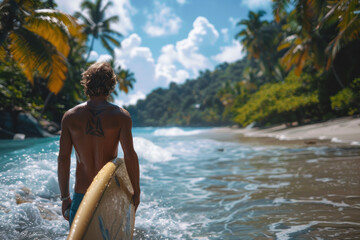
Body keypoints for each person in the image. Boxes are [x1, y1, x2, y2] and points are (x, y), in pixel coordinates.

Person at [57, 62, 140, 227]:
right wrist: (136, 192)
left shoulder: (70, 117)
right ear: (111, 84)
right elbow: (129, 155)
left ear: (86, 83)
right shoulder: (121, 116)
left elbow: (63, 159)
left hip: (82, 194)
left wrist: (65, 198)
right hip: (110, 194)